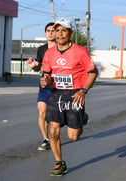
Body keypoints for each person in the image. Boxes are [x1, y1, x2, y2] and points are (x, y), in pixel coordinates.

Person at [40, 18, 98, 176]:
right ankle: (59, 163)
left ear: (70, 33)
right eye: (57, 31)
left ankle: (81, 117)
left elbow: (93, 73)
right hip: (57, 93)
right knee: (53, 130)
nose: (59, 34)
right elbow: (47, 74)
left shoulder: (80, 51)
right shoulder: (49, 53)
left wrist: (83, 91)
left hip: (75, 94)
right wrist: (46, 80)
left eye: (63, 31)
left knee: (73, 137)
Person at [26, 22, 56, 151]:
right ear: (45, 33)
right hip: (44, 85)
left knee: (57, 116)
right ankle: (46, 139)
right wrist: (33, 66)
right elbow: (39, 67)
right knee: (41, 111)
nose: (50, 33)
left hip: (58, 86)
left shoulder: (61, 49)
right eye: (48, 31)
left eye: (53, 30)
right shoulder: (42, 49)